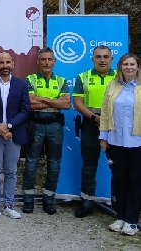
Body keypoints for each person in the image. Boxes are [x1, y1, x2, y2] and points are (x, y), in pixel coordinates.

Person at [0, 52, 31, 220]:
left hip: (13, 134)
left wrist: (8, 126)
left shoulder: (21, 85)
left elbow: (25, 110)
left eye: (8, 62)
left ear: (13, 64)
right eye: (1, 63)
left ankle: (9, 205)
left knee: (11, 171)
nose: (5, 65)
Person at [22, 48, 70, 215]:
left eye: (50, 59)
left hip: (55, 126)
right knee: (31, 162)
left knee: (54, 163)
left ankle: (49, 199)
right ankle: (28, 199)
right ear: (38, 62)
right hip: (35, 125)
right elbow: (29, 103)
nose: (47, 62)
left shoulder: (62, 81)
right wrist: (54, 101)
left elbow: (66, 104)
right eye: (43, 59)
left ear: (54, 61)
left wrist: (41, 99)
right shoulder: (30, 79)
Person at [73, 45, 117, 218]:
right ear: (93, 59)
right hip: (91, 124)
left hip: (115, 127)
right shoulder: (83, 77)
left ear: (112, 59)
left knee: (118, 167)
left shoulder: (120, 77)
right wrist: (94, 117)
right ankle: (87, 203)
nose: (102, 60)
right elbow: (77, 103)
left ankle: (118, 203)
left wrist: (107, 120)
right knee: (89, 166)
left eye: (106, 57)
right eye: (98, 57)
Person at [99, 53, 141, 236]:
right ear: (120, 67)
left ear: (137, 67)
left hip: (137, 142)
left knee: (135, 181)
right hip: (115, 141)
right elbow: (105, 112)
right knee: (118, 180)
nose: (129, 67)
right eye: (125, 64)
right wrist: (103, 137)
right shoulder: (112, 85)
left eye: (132, 64)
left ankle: (132, 221)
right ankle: (120, 217)